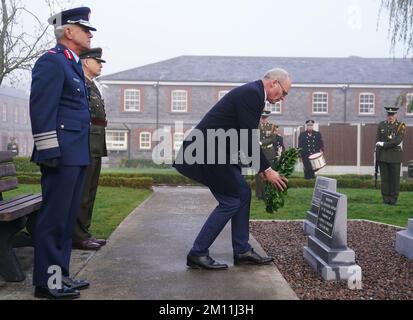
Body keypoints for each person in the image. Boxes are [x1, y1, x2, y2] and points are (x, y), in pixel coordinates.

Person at [174, 68, 291, 270]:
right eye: (284, 93)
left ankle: (242, 250)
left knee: (243, 193)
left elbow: (240, 135)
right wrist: (267, 169)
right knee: (230, 201)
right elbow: (247, 137)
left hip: (217, 153)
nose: (283, 98)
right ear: (273, 83)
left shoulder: (254, 94)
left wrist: (261, 169)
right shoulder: (252, 94)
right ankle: (197, 253)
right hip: (207, 152)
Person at [29, 7, 95, 300]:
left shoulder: (73, 64)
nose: (90, 34)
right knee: (54, 218)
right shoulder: (52, 62)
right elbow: (42, 109)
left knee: (67, 219)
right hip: (60, 154)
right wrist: (49, 151)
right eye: (85, 28)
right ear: (68, 31)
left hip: (76, 153)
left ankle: (62, 275)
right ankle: (47, 283)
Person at [72, 48, 108, 250]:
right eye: (97, 61)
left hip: (95, 141)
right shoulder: (81, 83)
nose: (101, 64)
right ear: (86, 62)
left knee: (91, 191)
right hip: (86, 142)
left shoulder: (92, 85)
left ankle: (84, 232)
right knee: (83, 192)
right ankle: (78, 236)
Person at [376, 106, 406, 205]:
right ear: (387, 115)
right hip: (383, 156)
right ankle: (385, 199)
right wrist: (377, 154)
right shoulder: (381, 125)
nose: (391, 117)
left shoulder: (400, 126)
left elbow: (397, 141)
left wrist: (384, 144)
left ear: (395, 115)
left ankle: (393, 199)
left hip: (395, 157)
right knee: (385, 179)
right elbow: (378, 140)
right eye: (389, 115)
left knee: (394, 179)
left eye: (392, 115)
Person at [255, 110, 281, 200]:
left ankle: (269, 193)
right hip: (258, 153)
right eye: (262, 117)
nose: (264, 119)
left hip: (269, 153)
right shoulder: (254, 126)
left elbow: (273, 139)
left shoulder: (272, 127)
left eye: (265, 118)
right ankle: (259, 194)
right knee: (259, 175)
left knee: (270, 174)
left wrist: (260, 143)